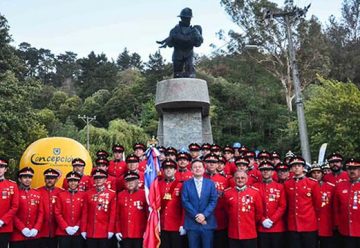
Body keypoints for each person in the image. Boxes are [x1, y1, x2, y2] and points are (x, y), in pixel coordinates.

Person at [284, 156, 321, 248]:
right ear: (291, 169)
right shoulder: (287, 184)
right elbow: (286, 204)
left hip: (309, 224)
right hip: (293, 224)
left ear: (303, 168)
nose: (296, 167)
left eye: (299, 165)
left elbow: (317, 204)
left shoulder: (312, 183)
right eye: (294, 166)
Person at [157, 7, 203, 78]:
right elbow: (170, 44)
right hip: (178, 54)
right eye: (184, 18)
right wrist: (170, 41)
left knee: (191, 74)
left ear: (190, 18)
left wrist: (198, 38)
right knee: (177, 74)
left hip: (189, 54)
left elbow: (198, 43)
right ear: (181, 18)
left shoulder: (195, 30)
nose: (186, 20)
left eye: (188, 18)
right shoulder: (174, 30)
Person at [181, 159, 218, 248]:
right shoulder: (186, 184)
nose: (197, 169)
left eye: (199, 167)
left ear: (204, 169)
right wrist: (196, 215)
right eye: (195, 167)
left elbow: (213, 200)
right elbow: (185, 201)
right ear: (191, 170)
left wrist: (204, 215)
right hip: (192, 223)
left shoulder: (210, 183)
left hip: (207, 222)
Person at [224, 171, 263, 248]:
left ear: (246, 179)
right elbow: (227, 210)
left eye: (242, 178)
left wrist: (250, 221)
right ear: (234, 180)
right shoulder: (227, 193)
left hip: (249, 232)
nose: (240, 180)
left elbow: (259, 212)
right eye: (237, 178)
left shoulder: (254, 193)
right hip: (234, 233)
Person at [253, 161, 286, 248]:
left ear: (272, 172)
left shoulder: (280, 187)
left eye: (268, 170)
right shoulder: (255, 187)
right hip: (261, 226)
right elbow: (254, 207)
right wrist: (262, 220)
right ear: (260, 171)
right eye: (263, 170)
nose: (266, 172)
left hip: (277, 226)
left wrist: (272, 220)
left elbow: (282, 206)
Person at [81, 169, 116, 248]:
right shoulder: (88, 193)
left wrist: (110, 230)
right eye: (96, 178)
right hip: (91, 231)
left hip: (104, 231)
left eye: (101, 178)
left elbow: (113, 214)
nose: (98, 180)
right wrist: (83, 229)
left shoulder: (112, 194)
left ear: (105, 179)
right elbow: (85, 213)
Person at [10, 167, 44, 248]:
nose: (27, 179)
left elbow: (41, 213)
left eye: (30, 177)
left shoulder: (37, 193)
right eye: (25, 177)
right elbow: (12, 213)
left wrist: (36, 228)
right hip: (18, 235)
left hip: (34, 234)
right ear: (19, 179)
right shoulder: (15, 192)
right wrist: (22, 228)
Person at [115, 171, 147, 248]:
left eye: (133, 181)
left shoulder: (144, 194)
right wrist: (117, 230)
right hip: (125, 232)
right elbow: (117, 215)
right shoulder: (120, 195)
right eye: (128, 181)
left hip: (140, 233)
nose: (130, 183)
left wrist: (147, 230)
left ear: (137, 182)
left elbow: (148, 214)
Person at [158, 159, 186, 248]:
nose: (168, 170)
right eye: (166, 168)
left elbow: (184, 207)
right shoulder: (158, 185)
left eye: (171, 168)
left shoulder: (181, 185)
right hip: (162, 224)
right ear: (163, 170)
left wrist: (182, 224)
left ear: (175, 170)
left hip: (176, 225)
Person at [203, 154, 229, 248]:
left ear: (218, 164)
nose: (211, 164)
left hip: (219, 219)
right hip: (204, 218)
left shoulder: (224, 180)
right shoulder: (200, 178)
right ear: (205, 164)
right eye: (209, 162)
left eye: (214, 162)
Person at [55, 172, 86, 248]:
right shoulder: (60, 195)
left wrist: (77, 226)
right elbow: (57, 213)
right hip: (63, 232)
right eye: (71, 181)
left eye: (75, 181)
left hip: (78, 231)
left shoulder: (84, 195)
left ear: (78, 182)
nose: (73, 183)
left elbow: (84, 213)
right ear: (67, 182)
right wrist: (66, 227)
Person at [334, 158, 360, 248]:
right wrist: (337, 224)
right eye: (349, 169)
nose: (352, 171)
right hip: (346, 229)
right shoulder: (340, 186)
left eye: (355, 168)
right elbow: (336, 207)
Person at [309, 164, 335, 248]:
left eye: (318, 172)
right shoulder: (306, 186)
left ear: (322, 174)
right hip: (311, 223)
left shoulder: (331, 187)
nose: (316, 175)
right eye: (313, 173)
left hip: (326, 222)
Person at [38, 169, 63, 248]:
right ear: (45, 179)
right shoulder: (37, 191)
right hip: (41, 230)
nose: (49, 180)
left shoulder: (61, 192)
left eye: (52, 178)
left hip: (55, 230)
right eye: (48, 178)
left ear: (56, 180)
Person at [0, 158, 19, 248]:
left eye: (1, 167)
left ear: (6, 169)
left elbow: (15, 206)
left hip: (5, 227)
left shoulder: (12, 185)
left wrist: (2, 221)